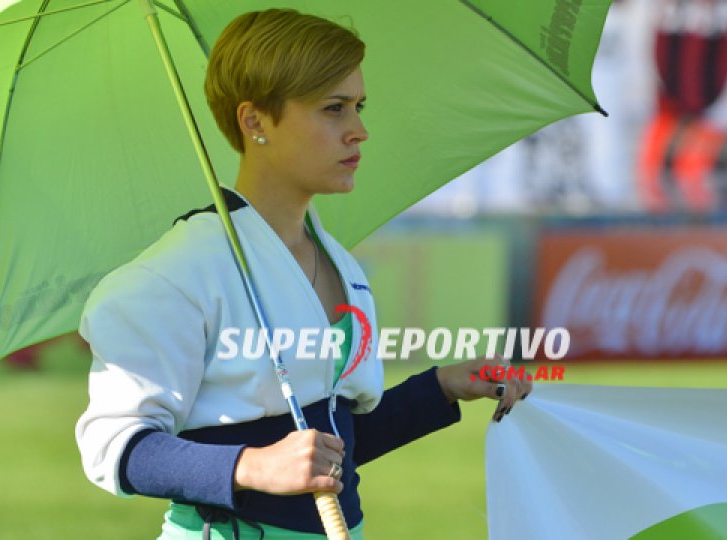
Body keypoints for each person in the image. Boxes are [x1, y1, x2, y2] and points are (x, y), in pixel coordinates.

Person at [75, 8, 530, 540]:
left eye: (359, 106)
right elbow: (117, 448)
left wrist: (444, 387)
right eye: (333, 109)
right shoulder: (173, 274)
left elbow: (331, 447)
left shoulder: (341, 263)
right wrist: (252, 466)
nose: (359, 131)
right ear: (255, 122)